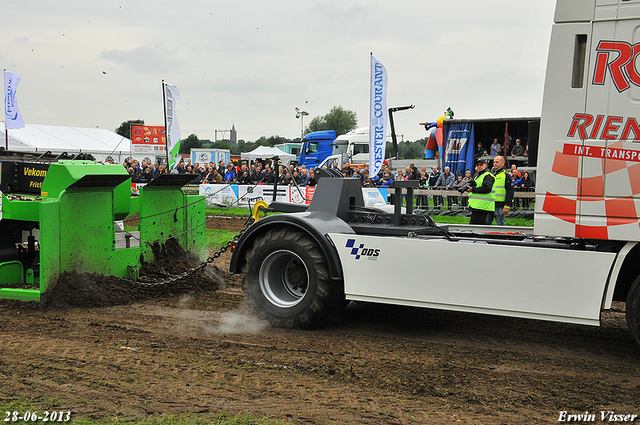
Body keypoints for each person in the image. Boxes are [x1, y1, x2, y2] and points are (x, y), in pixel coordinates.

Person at [464, 159, 495, 225]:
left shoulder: (487, 175)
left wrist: (473, 189)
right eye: (477, 165)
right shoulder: (479, 176)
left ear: (486, 165)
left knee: (475, 226)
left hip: (482, 206)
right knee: (480, 226)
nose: (479, 166)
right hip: (478, 206)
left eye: (481, 165)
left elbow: (487, 188)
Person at [486, 156, 514, 226]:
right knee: (485, 225)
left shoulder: (506, 176)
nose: (495, 164)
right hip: (490, 205)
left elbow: (510, 192)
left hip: (500, 205)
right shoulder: (491, 175)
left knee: (500, 226)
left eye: (497, 162)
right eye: (494, 162)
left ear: (503, 163)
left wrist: (507, 206)